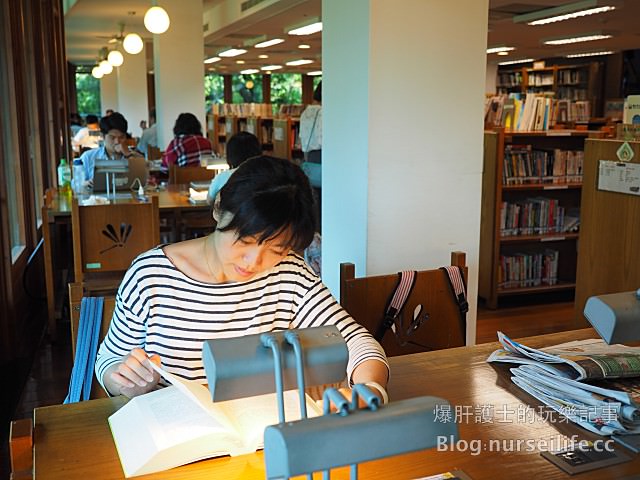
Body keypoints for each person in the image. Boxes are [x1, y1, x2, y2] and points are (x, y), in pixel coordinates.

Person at [95, 155, 389, 403]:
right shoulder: (150, 275)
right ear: (219, 208)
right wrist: (124, 381)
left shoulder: (289, 273)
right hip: (172, 434)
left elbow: (355, 341)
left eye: (275, 249)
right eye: (244, 240)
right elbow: (108, 360)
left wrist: (369, 390)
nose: (254, 262)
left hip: (257, 434)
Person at [78, 111, 142, 185]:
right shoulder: (88, 157)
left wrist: (128, 155)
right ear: (103, 136)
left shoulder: (136, 158)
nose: (117, 141)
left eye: (121, 137)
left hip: (130, 196)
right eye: (112, 137)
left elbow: (144, 184)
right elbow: (75, 184)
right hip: (97, 196)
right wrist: (85, 184)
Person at [206, 131, 261, 204]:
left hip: (232, 215)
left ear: (230, 155)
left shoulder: (222, 177)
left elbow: (209, 201)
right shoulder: (266, 175)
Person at [299, 81, 322, 188]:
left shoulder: (305, 113)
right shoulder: (323, 113)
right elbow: (322, 140)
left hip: (309, 158)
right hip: (321, 157)